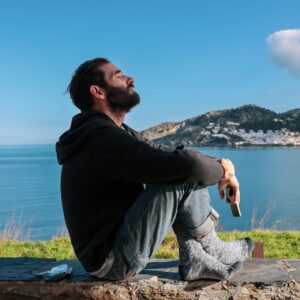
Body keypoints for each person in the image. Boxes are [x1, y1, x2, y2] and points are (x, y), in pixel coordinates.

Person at [56, 57, 254, 281]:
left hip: (115, 248)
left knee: (177, 167)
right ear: (98, 91)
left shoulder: (115, 133)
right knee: (181, 174)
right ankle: (211, 247)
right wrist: (223, 172)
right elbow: (189, 167)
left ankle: (196, 255)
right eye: (119, 76)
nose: (130, 79)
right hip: (112, 262)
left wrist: (222, 166)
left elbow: (170, 155)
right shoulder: (100, 139)